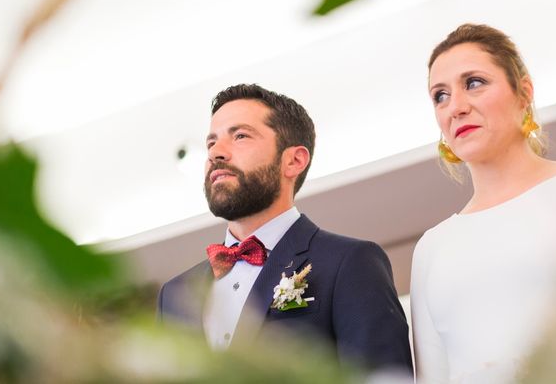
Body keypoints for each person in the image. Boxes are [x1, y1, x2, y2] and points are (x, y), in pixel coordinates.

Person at [410, 24, 556, 383]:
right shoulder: (431, 249)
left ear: (523, 92)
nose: (456, 107)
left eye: (473, 83)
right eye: (440, 95)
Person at [158, 84, 413, 375]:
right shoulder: (174, 295)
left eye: (240, 136)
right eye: (211, 143)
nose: (217, 153)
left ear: (293, 161)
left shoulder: (349, 263)